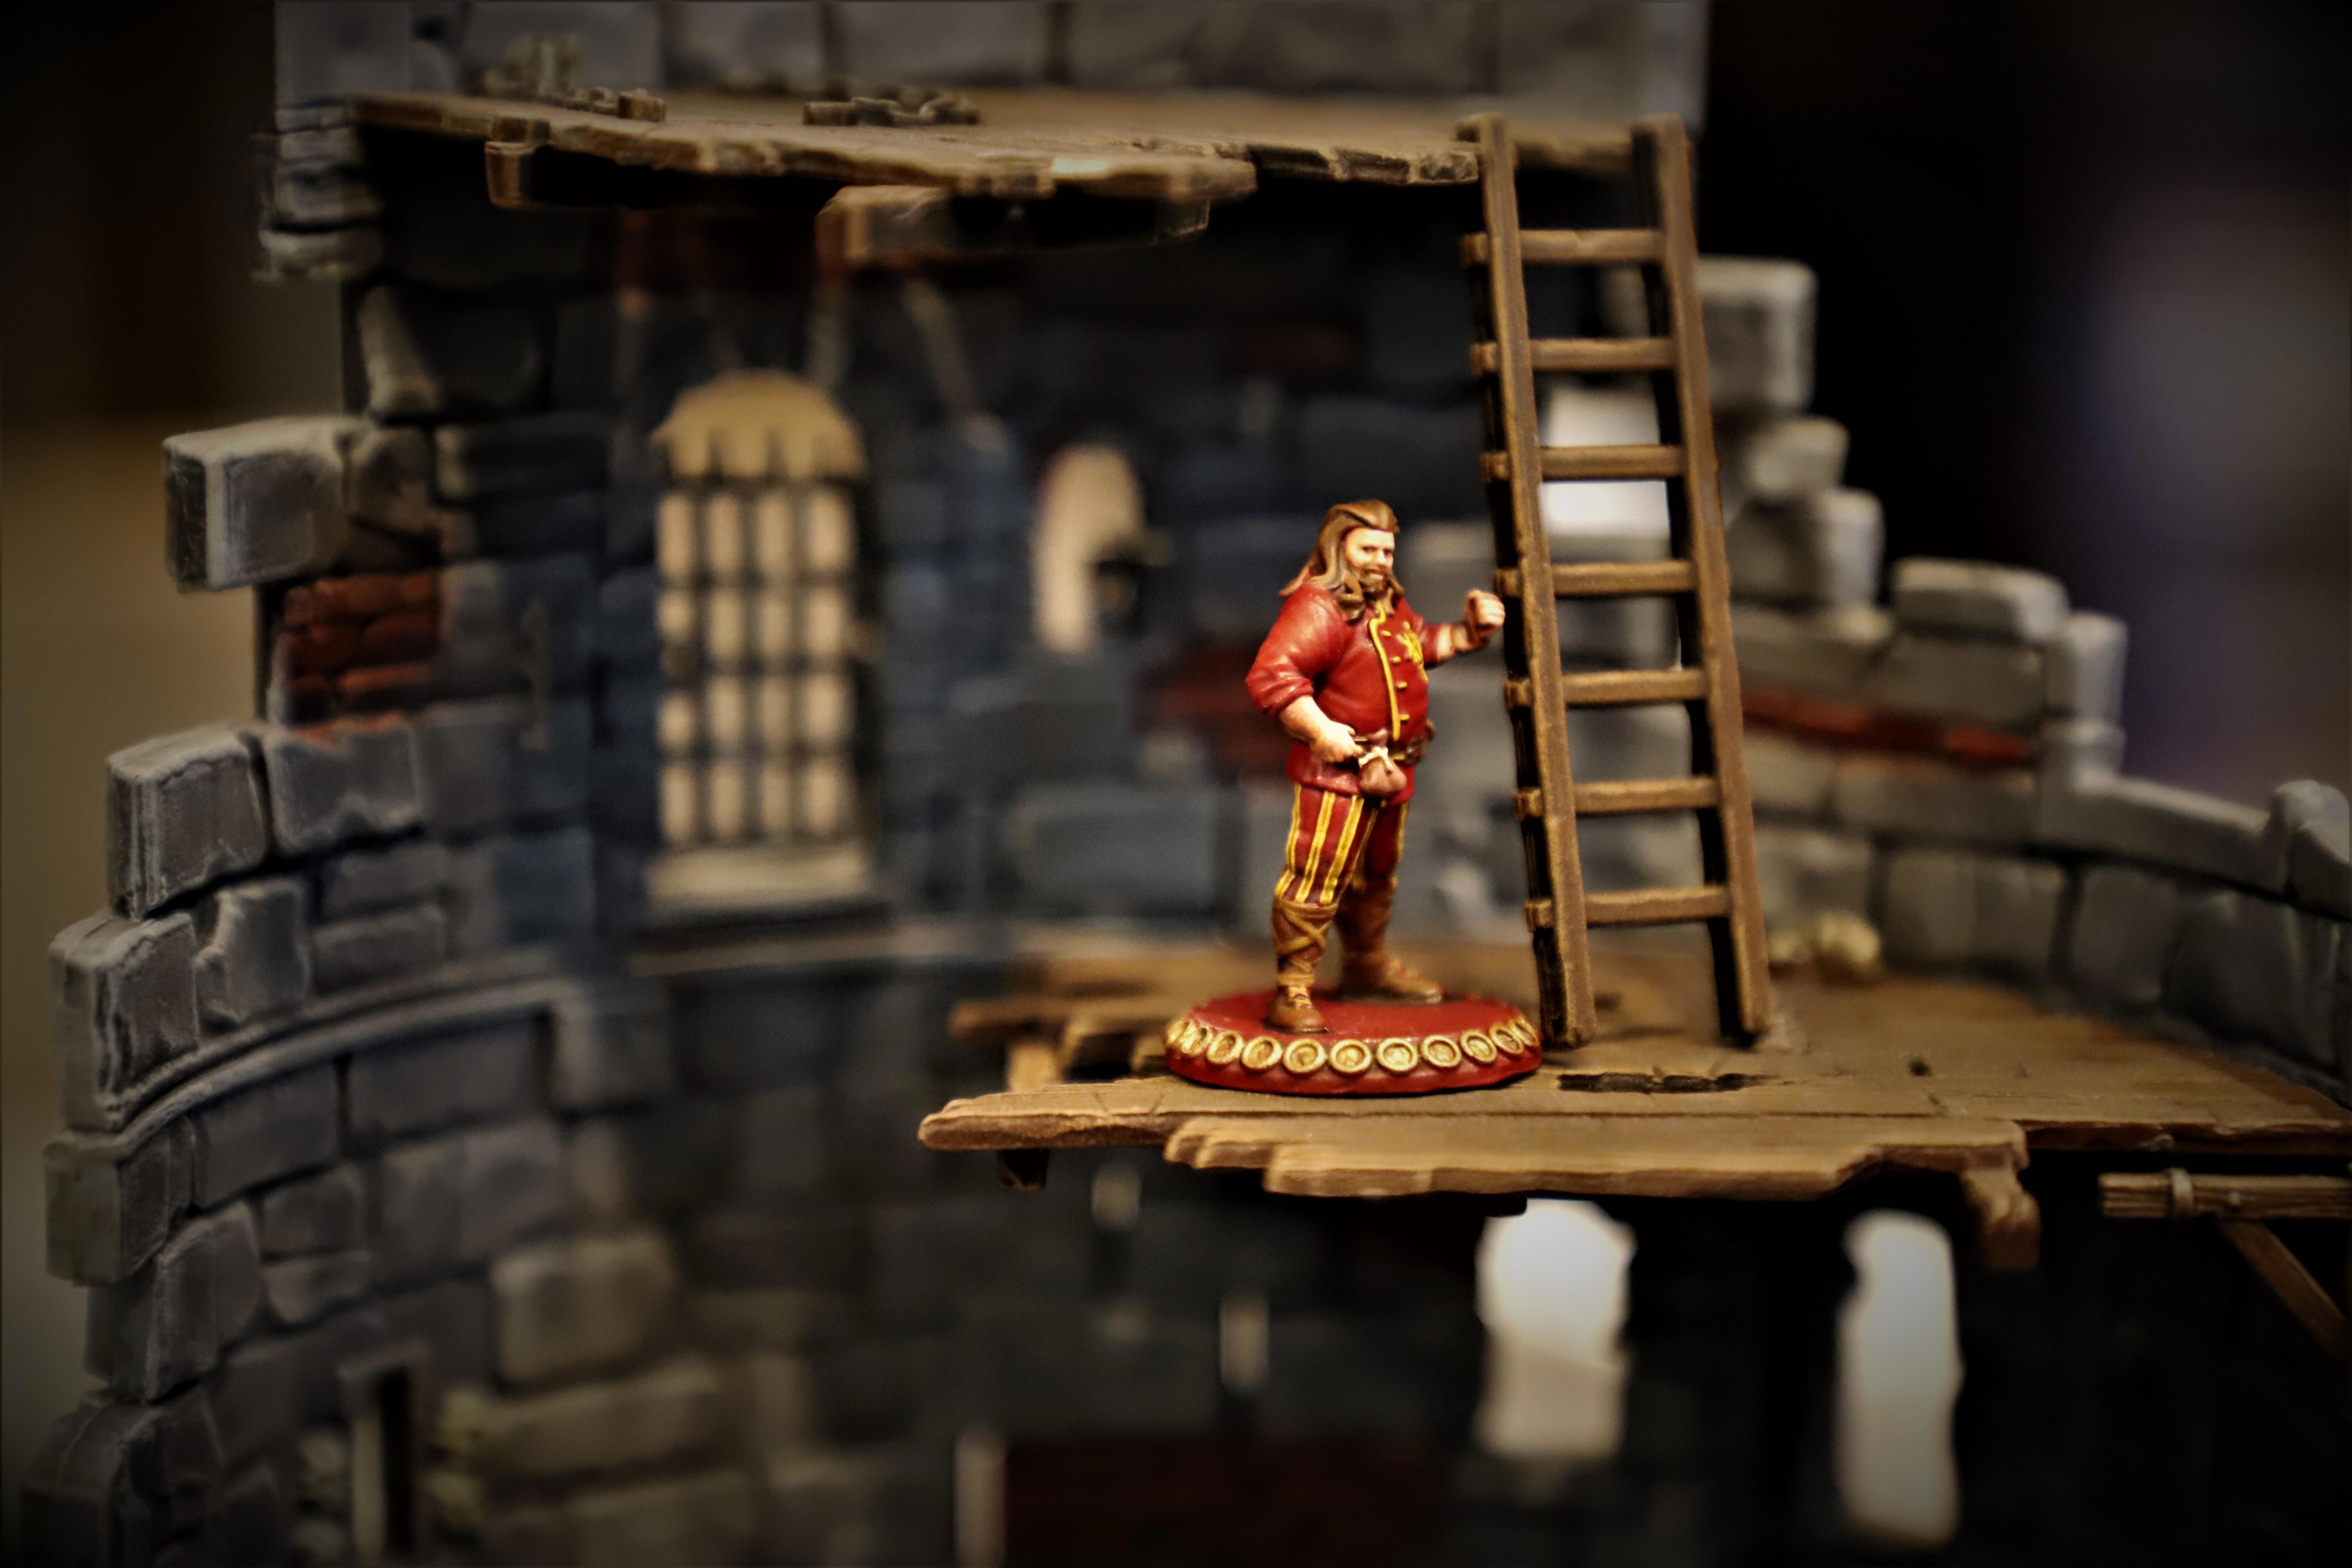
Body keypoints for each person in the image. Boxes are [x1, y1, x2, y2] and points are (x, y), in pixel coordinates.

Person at [1244, 499, 1507, 1033]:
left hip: (1394, 773)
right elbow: (1273, 675)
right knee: (1317, 875)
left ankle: (1366, 965)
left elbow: (1419, 647)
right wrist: (1322, 730)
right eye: (1368, 549)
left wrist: (1469, 632)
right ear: (1338, 549)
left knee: (1377, 877)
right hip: (1339, 776)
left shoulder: (1387, 605)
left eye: (1388, 551)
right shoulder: (1320, 608)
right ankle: (1294, 986)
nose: (1381, 561)